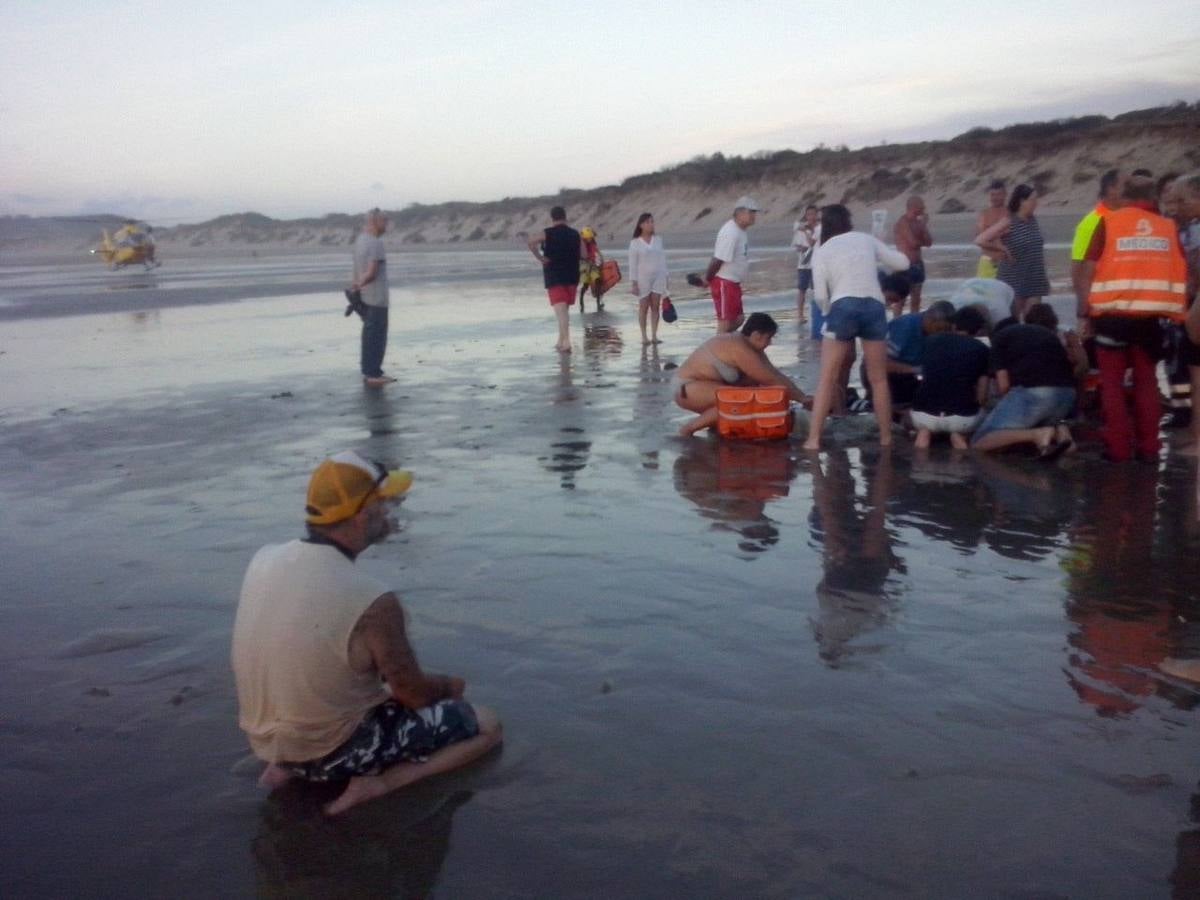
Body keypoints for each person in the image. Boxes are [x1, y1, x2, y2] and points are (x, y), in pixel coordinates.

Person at [231, 451, 503, 816]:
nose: (393, 510)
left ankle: (284, 768)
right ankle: (381, 783)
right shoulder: (373, 601)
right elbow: (414, 694)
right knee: (486, 724)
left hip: (263, 741)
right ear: (362, 515)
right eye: (385, 502)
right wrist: (448, 686)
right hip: (330, 751)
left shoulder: (264, 559)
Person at [1077, 173, 1189, 462]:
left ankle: (1118, 449)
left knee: (1112, 385)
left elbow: (1088, 269)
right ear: (1154, 198)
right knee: (1147, 383)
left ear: (1124, 196)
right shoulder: (1168, 227)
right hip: (1151, 320)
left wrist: (1084, 310)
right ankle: (1150, 449)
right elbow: (1183, 268)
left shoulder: (1109, 223)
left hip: (1112, 317)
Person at [805, 204, 911, 450]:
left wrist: (828, 313)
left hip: (843, 305)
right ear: (848, 221)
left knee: (827, 378)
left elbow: (820, 295)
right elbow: (902, 264)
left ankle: (813, 440)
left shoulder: (822, 250)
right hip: (874, 306)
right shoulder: (866, 239)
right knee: (879, 379)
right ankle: (885, 438)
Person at [971, 304, 1087, 456]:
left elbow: (1004, 386)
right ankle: (1063, 435)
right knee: (1043, 417)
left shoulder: (999, 340)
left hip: (1034, 393)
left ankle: (1036, 435)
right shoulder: (1048, 335)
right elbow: (1077, 367)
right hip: (1067, 395)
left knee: (980, 441)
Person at [672, 312, 809, 437]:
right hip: (686, 387)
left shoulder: (750, 346)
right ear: (756, 335)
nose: (770, 343)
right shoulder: (739, 347)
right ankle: (688, 429)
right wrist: (802, 399)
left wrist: (802, 396)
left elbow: (774, 373)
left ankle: (713, 425)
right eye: (768, 338)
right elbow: (770, 379)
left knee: (750, 390)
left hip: (700, 386)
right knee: (742, 399)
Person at [910, 306, 991, 449]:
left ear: (953, 325)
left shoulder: (930, 341)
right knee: (982, 416)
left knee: (924, 423)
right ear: (978, 331)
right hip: (962, 419)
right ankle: (958, 435)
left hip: (922, 415)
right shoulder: (982, 349)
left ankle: (924, 433)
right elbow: (982, 397)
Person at [976, 183, 1051, 320]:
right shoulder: (1009, 221)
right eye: (1033, 200)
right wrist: (1001, 248)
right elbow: (980, 239)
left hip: (1035, 278)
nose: (1036, 203)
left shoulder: (1033, 220)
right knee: (1013, 321)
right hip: (1013, 278)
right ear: (1022, 201)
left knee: (1035, 322)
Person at [863, 300, 956, 409]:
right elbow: (879, 363)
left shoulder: (938, 335)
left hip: (911, 374)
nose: (941, 334)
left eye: (946, 330)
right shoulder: (905, 327)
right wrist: (916, 370)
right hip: (882, 373)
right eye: (939, 329)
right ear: (929, 320)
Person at [527, 206, 582, 353]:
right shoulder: (575, 234)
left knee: (561, 311)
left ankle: (566, 341)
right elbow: (583, 253)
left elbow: (531, 243)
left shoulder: (548, 233)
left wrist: (540, 257)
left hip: (554, 274)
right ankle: (560, 339)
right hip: (572, 275)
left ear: (552, 218)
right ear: (565, 217)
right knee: (564, 311)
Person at [350, 209, 394, 385]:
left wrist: (356, 288)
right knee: (377, 336)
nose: (387, 226)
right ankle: (374, 374)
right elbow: (372, 272)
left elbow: (357, 270)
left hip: (365, 297)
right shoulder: (376, 243)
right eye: (384, 222)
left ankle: (369, 371)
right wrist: (360, 284)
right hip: (377, 297)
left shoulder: (360, 241)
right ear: (374, 222)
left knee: (369, 335)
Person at [703, 196, 758, 333]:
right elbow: (718, 259)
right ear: (739, 213)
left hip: (733, 283)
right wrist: (707, 279)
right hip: (724, 282)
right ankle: (718, 347)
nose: (753, 216)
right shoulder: (730, 232)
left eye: (754, 212)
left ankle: (722, 340)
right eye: (750, 212)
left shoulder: (740, 231)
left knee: (739, 319)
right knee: (725, 322)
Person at [1070, 169, 1124, 307]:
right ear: (1111, 189)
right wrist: (1083, 308)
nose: (1129, 191)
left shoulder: (1128, 218)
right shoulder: (1091, 223)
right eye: (1125, 186)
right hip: (1101, 302)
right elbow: (1077, 268)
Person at [628, 213, 668, 345]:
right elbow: (632, 264)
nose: (651, 224)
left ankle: (654, 335)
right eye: (648, 222)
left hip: (658, 276)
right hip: (642, 278)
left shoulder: (658, 240)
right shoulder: (635, 243)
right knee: (643, 307)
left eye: (652, 222)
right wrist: (634, 283)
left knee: (656, 306)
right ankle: (644, 336)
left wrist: (666, 277)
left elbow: (662, 260)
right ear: (641, 225)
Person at [893, 195, 933, 313]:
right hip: (904, 264)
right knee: (900, 300)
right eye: (922, 206)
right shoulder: (903, 222)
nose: (924, 208)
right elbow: (913, 243)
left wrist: (923, 226)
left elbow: (929, 242)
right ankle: (896, 325)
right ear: (914, 207)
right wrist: (922, 237)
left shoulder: (918, 223)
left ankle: (914, 324)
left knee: (916, 300)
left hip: (917, 264)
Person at [792, 204, 821, 329]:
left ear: (817, 215)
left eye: (814, 214)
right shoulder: (800, 230)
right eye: (809, 214)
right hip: (804, 263)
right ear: (806, 215)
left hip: (817, 263)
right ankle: (800, 315)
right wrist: (801, 248)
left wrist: (806, 232)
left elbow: (813, 242)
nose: (811, 217)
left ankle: (818, 312)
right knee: (802, 289)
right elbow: (795, 245)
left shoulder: (820, 228)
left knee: (818, 289)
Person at [975, 180, 1008, 278]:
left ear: (1005, 194)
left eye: (998, 194)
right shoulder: (984, 214)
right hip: (987, 263)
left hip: (1006, 264)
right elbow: (979, 240)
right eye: (992, 195)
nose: (995, 198)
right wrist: (1000, 247)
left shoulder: (1010, 213)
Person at [578, 226, 604, 312]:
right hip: (584, 266)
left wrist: (601, 258)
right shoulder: (581, 244)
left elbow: (598, 251)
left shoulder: (593, 242)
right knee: (585, 285)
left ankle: (598, 301)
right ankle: (581, 301)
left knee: (598, 280)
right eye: (588, 238)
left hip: (592, 265)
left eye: (591, 238)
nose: (590, 239)